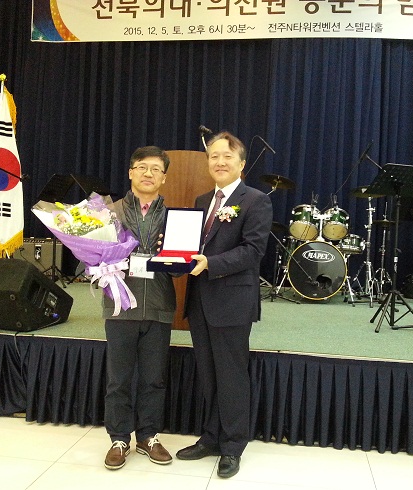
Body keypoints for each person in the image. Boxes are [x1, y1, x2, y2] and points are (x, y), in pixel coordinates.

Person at [176, 132, 273, 478]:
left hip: (232, 301)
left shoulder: (255, 200)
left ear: (241, 164)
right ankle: (211, 437)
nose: (219, 162)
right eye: (214, 156)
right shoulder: (203, 200)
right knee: (208, 373)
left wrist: (211, 264)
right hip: (199, 300)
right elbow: (192, 245)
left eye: (227, 156)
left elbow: (253, 251)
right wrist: (172, 251)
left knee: (231, 375)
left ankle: (233, 445)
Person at [103, 146, 175, 470]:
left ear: (164, 177)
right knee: (118, 379)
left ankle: (148, 436)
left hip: (159, 305)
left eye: (156, 169)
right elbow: (88, 260)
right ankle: (119, 438)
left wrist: (176, 257)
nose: (148, 173)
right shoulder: (108, 213)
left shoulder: (175, 218)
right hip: (120, 306)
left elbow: (179, 269)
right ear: (131, 172)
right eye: (142, 167)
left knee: (154, 378)